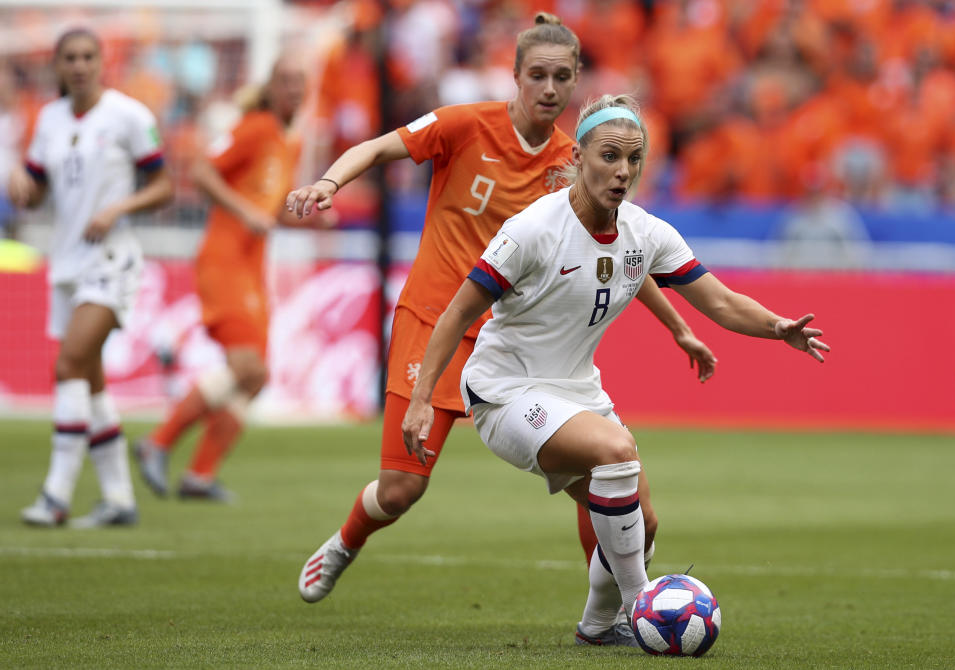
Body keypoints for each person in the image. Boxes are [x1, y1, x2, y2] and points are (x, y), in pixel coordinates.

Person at [286, 13, 716, 615]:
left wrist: (678, 327)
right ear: (514, 77)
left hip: (515, 344)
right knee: (404, 486)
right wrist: (330, 182)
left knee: (606, 486)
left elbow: (620, 253)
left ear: (574, 83)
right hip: (438, 319)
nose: (548, 88)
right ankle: (344, 543)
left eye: (561, 77)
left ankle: (614, 617)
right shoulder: (466, 126)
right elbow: (382, 146)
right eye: (536, 75)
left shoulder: (580, 160)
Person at [401, 94, 830, 645]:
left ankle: (597, 627)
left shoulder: (646, 234)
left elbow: (720, 303)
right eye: (609, 156)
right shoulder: (532, 229)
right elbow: (457, 312)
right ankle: (643, 609)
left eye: (633, 159)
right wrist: (419, 400)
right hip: (504, 392)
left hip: (577, 393)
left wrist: (778, 328)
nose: (622, 171)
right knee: (617, 452)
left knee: (642, 523)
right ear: (578, 156)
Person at [9, 27, 173, 527]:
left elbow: (164, 185)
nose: (79, 65)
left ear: (102, 62)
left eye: (87, 57)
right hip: (67, 263)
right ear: (57, 66)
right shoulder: (50, 120)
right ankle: (119, 498)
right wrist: (21, 184)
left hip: (112, 258)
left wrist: (119, 207)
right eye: (69, 58)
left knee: (68, 365)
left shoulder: (128, 115)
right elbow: (37, 192)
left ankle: (56, 495)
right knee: (92, 382)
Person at [134, 56, 312, 501]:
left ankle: (199, 475)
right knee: (245, 367)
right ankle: (158, 441)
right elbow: (200, 171)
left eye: (299, 81)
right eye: (285, 80)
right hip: (224, 261)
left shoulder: (292, 141)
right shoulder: (254, 126)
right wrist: (244, 212)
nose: (293, 88)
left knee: (256, 377)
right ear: (269, 88)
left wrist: (307, 219)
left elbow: (267, 210)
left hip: (252, 268)